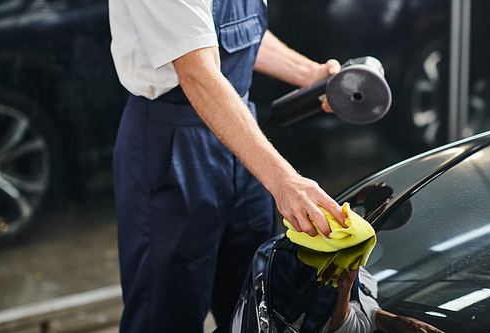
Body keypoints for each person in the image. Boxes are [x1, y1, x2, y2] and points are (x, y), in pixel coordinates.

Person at [108, 0, 348, 331]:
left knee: (257, 302)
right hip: (175, 141)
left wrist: (310, 75)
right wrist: (284, 181)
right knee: (165, 313)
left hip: (239, 132)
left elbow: (232, 32)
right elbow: (198, 73)